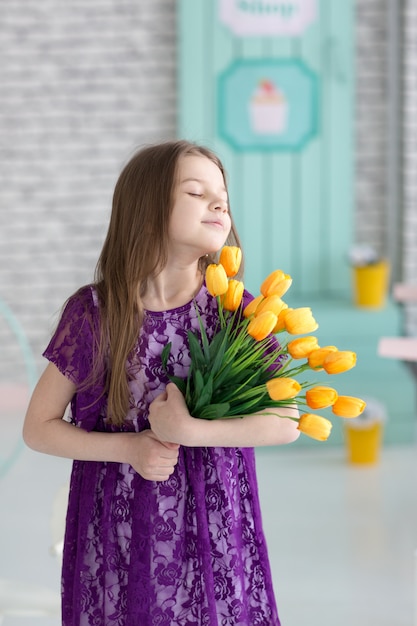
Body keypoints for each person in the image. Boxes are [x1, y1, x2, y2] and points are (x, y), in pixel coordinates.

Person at [23, 139, 300, 626]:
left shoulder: (236, 310)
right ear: (146, 212)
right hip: (119, 526)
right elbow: (38, 427)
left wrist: (192, 432)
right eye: (197, 193)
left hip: (214, 525)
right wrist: (130, 449)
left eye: (223, 197)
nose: (219, 204)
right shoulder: (95, 313)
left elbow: (286, 421)